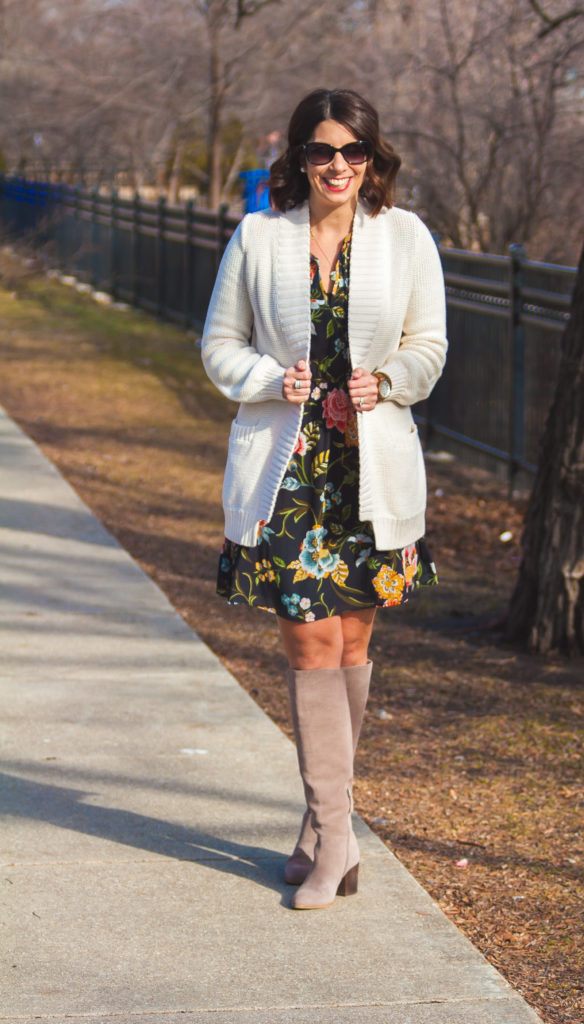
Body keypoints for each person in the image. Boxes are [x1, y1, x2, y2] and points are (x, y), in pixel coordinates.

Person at [201, 88, 447, 910]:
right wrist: (273, 378)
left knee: (349, 646)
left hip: (368, 473)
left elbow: (428, 346)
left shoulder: (405, 237)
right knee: (309, 645)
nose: (336, 165)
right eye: (319, 150)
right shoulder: (259, 236)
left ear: (373, 159)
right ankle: (338, 831)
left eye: (351, 151)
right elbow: (218, 347)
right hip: (288, 472)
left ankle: (318, 831)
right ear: (298, 157)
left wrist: (385, 384)